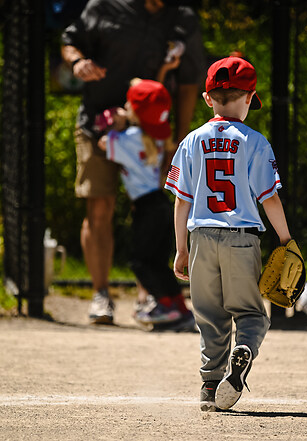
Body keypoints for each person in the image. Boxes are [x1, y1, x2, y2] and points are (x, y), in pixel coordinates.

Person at [61, 0, 205, 324]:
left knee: (147, 218)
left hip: (150, 135)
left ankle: (149, 298)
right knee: (99, 208)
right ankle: (101, 295)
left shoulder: (182, 18)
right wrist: (79, 62)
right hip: (95, 122)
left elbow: (188, 81)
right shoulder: (104, 7)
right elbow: (70, 41)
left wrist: (178, 138)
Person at [164, 56, 293, 411]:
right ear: (249, 97)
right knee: (250, 314)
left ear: (208, 99)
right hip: (242, 238)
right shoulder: (255, 141)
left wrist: (180, 249)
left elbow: (180, 202)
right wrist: (285, 240)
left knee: (209, 314)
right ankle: (245, 349)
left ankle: (209, 386)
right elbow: (269, 198)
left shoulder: (191, 141)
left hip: (201, 237)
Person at [98, 78, 195, 330]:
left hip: (146, 207)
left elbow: (102, 141)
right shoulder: (157, 137)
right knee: (156, 262)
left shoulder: (129, 137)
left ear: (133, 110)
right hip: (160, 203)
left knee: (140, 262)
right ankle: (179, 308)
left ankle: (166, 306)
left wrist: (114, 122)